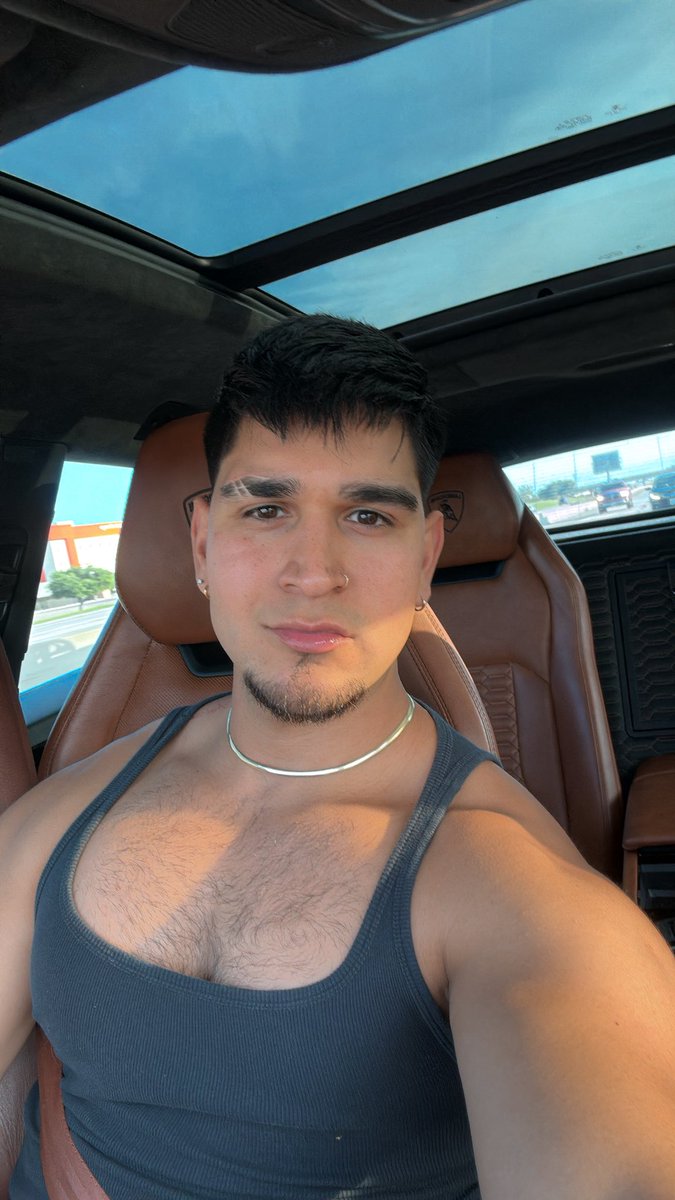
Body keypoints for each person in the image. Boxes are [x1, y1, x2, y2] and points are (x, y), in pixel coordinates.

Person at [2, 314, 675, 1200]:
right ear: (201, 544)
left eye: (366, 515)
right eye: (265, 509)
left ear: (424, 557)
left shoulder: (512, 890)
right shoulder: (64, 807)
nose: (312, 573)